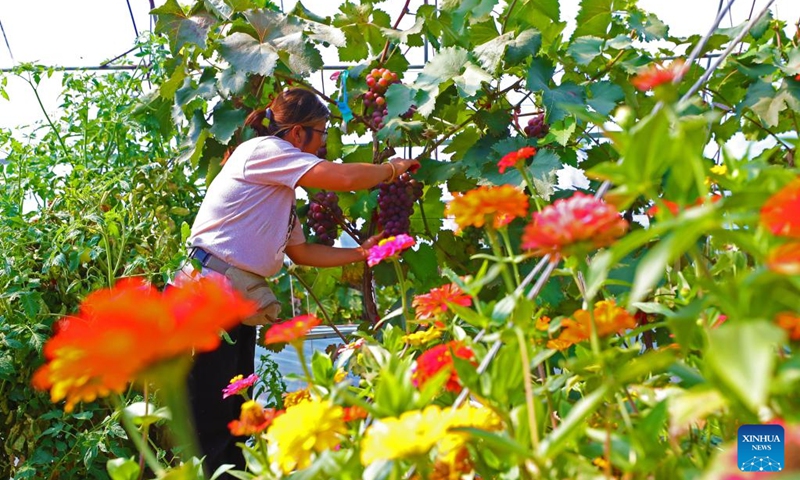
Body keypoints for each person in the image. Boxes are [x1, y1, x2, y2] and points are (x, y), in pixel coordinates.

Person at [174, 87, 419, 477]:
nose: (323, 145)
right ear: (297, 133)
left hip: (234, 301)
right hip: (207, 297)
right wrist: (393, 169)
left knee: (235, 410)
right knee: (211, 419)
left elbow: (303, 253)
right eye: (321, 133)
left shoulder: (278, 189)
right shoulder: (262, 153)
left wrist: (359, 254)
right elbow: (343, 177)